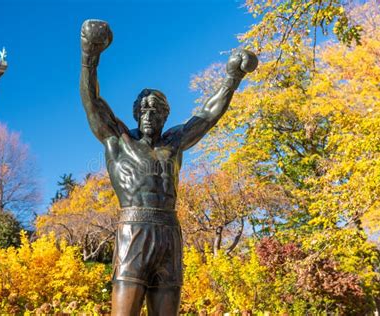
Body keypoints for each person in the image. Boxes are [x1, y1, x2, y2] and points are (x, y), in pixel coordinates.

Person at [80, 19, 257, 316]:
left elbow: (207, 115)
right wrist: (89, 56)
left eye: (157, 110)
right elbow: (92, 102)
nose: (150, 114)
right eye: (144, 110)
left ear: (165, 117)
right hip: (134, 230)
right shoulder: (119, 140)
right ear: (136, 114)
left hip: (169, 234)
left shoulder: (173, 143)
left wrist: (232, 77)